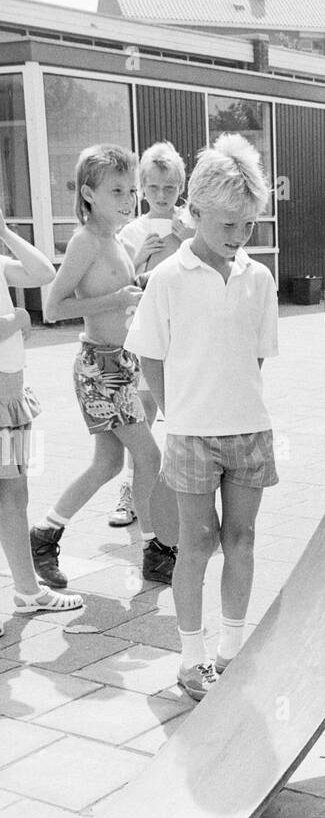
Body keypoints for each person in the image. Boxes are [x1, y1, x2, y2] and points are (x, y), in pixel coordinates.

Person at [125, 134, 279, 702]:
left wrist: (230, 402)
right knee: (197, 542)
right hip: (190, 433)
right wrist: (179, 414)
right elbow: (151, 358)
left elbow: (255, 358)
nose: (237, 238)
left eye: (247, 227)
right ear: (195, 213)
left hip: (249, 428)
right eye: (226, 226)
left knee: (242, 537)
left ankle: (232, 651)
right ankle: (191, 658)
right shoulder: (166, 279)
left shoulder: (257, 280)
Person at [34, 144, 173, 589]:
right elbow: (53, 307)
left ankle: (45, 533)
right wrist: (116, 298)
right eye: (117, 190)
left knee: (109, 465)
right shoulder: (85, 240)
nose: (129, 198)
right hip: (100, 367)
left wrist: (138, 279)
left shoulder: (113, 240)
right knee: (148, 454)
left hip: (119, 364)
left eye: (131, 189)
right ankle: (156, 551)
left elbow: (116, 290)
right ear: (89, 194)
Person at [0, 207, 83, 632]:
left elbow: (40, 271)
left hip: (11, 399)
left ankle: (27, 590)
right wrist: (15, 319)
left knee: (15, 495)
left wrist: (6, 233)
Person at [110, 141, 193, 528]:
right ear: (142, 187)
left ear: (181, 187)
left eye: (170, 188)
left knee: (183, 417)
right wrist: (139, 257)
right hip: (144, 340)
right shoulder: (131, 232)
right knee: (142, 417)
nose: (162, 196)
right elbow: (121, 287)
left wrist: (185, 244)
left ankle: (180, 492)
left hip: (185, 341)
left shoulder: (192, 228)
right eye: (154, 188)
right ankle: (131, 492)